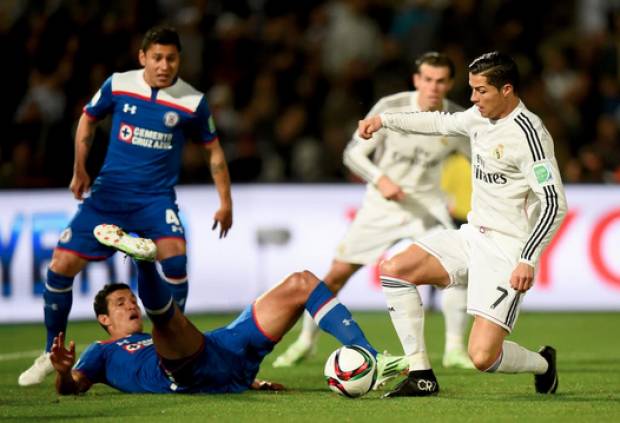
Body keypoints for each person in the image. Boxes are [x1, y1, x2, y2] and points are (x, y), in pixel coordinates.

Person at [19, 26, 233, 386]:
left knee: (175, 259)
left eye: (172, 58)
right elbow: (88, 119)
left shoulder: (192, 101)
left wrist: (225, 202)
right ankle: (48, 352)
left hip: (155, 199)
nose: (164, 65)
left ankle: (172, 350)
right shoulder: (118, 84)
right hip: (109, 195)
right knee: (60, 266)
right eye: (157, 58)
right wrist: (79, 168)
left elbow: (213, 150)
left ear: (179, 59)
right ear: (143, 57)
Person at [357, 51, 567, 397]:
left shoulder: (530, 136)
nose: (472, 99)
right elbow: (439, 123)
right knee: (394, 269)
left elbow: (554, 203)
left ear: (507, 89)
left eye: (480, 91)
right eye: (471, 89)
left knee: (483, 357)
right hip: (471, 236)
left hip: (508, 250)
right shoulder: (478, 117)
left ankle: (543, 363)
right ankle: (422, 375)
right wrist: (384, 121)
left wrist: (528, 257)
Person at [273, 52, 473, 370]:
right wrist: (382, 180)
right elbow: (353, 153)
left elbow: (479, 161)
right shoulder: (391, 108)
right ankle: (305, 342)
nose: (434, 87)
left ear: (450, 83)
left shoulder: (458, 120)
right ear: (416, 80)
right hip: (382, 206)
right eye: (428, 80)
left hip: (426, 209)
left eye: (441, 81)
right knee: (337, 275)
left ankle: (454, 349)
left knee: (458, 272)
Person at [49, 224, 408, 395]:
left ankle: (371, 356)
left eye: (131, 299)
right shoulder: (102, 352)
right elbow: (72, 388)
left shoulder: (150, 337)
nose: (130, 305)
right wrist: (64, 373)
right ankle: (144, 263)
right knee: (167, 323)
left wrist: (249, 381)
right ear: (103, 320)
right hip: (182, 370)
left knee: (302, 281)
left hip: (221, 351)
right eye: (119, 303)